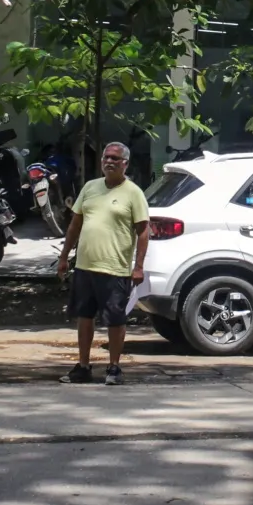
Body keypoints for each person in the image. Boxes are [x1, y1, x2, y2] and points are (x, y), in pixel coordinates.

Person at [57, 141, 151, 385]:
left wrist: (138, 266)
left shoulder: (133, 193)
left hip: (115, 268)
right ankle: (84, 366)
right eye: (106, 158)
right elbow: (75, 224)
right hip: (85, 266)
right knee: (84, 317)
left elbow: (143, 231)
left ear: (125, 164)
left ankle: (114, 367)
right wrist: (64, 256)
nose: (109, 162)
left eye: (115, 159)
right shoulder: (90, 187)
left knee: (115, 319)